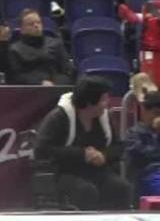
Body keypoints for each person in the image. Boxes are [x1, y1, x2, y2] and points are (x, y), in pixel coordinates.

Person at [34, 76, 132, 210]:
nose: (107, 103)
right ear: (89, 102)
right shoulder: (59, 117)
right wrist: (82, 154)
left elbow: (118, 147)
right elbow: (42, 150)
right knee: (86, 192)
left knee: (121, 188)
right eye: (103, 100)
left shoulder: (105, 118)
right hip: (64, 172)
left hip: (97, 171)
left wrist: (103, 155)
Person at [6, 9, 73, 85]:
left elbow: (68, 71)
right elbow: (14, 77)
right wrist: (39, 82)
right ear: (22, 29)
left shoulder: (56, 44)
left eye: (38, 22)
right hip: (29, 89)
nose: (36, 25)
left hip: (56, 87)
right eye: (31, 24)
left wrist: (54, 83)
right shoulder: (15, 50)